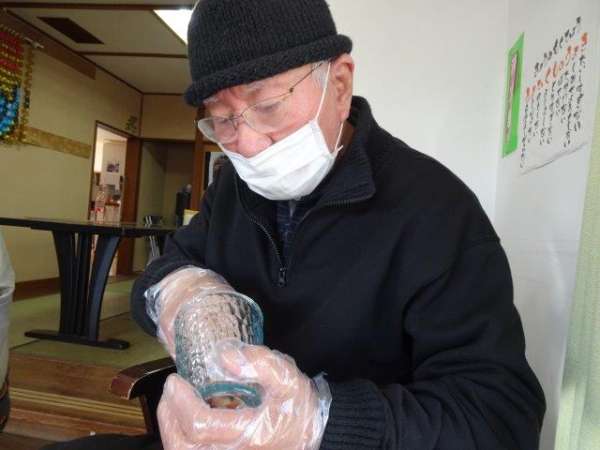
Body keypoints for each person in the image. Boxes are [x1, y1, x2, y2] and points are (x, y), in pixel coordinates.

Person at [47, 0, 545, 449]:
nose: (247, 144)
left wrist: (319, 421)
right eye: (222, 119)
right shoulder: (233, 189)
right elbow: (168, 267)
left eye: (267, 106)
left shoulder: (437, 211)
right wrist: (182, 292)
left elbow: (499, 420)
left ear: (340, 85)